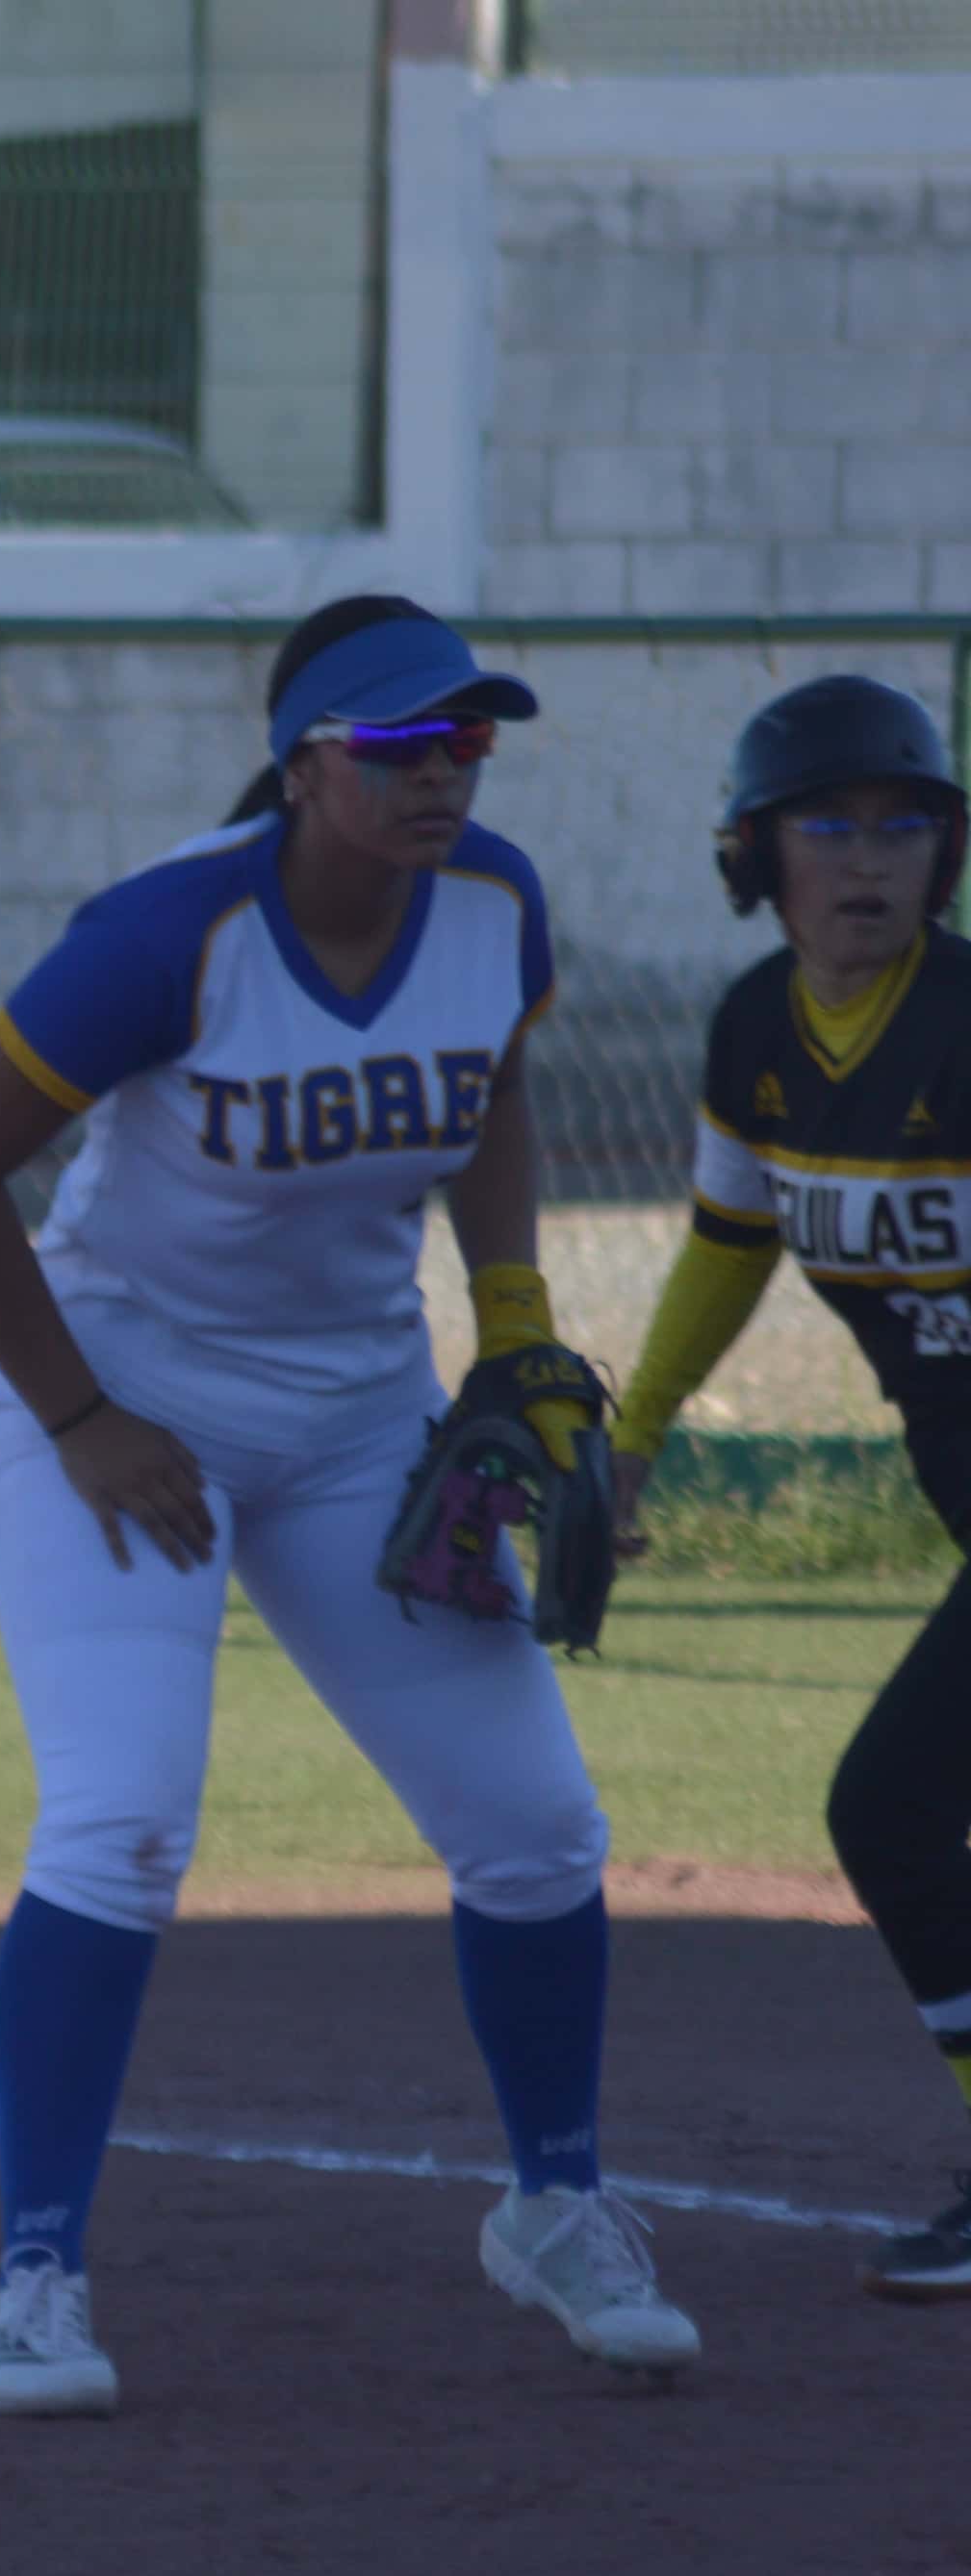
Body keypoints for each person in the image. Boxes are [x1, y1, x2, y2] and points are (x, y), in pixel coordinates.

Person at [0, 593, 696, 2416]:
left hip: (357, 1422)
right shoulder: (172, 931)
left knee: (537, 1826)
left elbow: (491, 1094)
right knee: (120, 1828)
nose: (446, 775)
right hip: (122, 1400)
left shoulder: (494, 904)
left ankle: (557, 2207)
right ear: (308, 763)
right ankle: (37, 2271)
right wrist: (82, 1412)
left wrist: (511, 1334)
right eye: (405, 746)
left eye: (469, 741)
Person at [611, 675, 971, 2299]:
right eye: (829, 822)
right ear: (757, 857)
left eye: (908, 823)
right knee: (896, 1814)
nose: (872, 855)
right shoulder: (756, 1034)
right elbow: (727, 1246)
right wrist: (631, 1441)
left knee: (889, 1808)